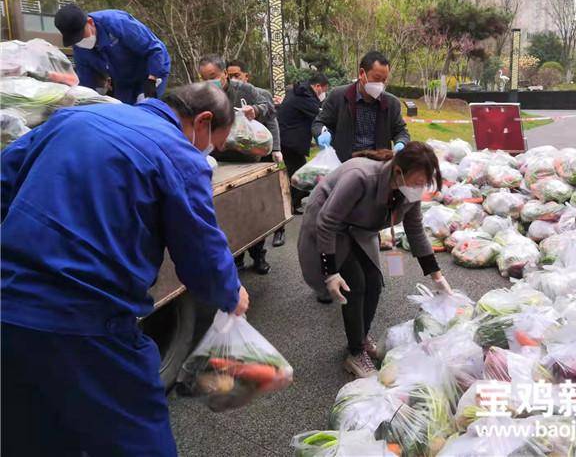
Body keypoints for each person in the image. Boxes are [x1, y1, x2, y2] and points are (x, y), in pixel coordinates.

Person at [1, 82, 248, 456]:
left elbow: (5, 182)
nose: (209, 150)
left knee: (32, 435)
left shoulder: (73, 117)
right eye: (215, 141)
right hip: (85, 323)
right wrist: (231, 294)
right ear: (203, 120)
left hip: (8, 310)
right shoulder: (179, 155)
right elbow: (201, 254)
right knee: (139, 440)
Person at [297, 142, 452, 378]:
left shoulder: (409, 190)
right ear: (398, 171)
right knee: (355, 284)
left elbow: (415, 230)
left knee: (374, 281)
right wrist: (330, 272)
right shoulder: (360, 177)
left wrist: (436, 275)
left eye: (425, 183)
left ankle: (361, 336)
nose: (419, 188)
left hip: (360, 230)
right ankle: (356, 353)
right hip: (329, 226)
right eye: (417, 182)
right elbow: (327, 221)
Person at [198, 54, 278, 274]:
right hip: (220, 162)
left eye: (212, 76)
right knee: (228, 214)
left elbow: (269, 106)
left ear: (224, 73)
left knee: (253, 212)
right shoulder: (203, 97)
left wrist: (256, 111)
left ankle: (258, 255)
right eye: (203, 78)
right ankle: (236, 255)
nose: (208, 82)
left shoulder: (244, 90)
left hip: (248, 160)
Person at [54, 3, 170, 104]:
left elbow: (154, 48)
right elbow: (86, 79)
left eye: (81, 35)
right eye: (75, 39)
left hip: (149, 71)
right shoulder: (79, 47)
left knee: (145, 111)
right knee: (122, 115)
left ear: (90, 22)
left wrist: (152, 79)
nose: (80, 41)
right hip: (123, 81)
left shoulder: (117, 22)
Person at [312, 51, 409, 162]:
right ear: (362, 73)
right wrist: (322, 133)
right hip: (344, 164)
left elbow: (401, 131)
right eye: (377, 78)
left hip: (378, 166)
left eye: (384, 80)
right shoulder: (338, 96)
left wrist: (401, 143)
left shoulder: (391, 103)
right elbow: (319, 123)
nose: (381, 84)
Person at [275, 72, 330, 247]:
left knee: (298, 171)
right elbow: (319, 115)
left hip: (289, 138)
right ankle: (291, 204)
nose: (324, 94)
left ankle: (295, 201)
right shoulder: (305, 97)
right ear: (318, 86)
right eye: (324, 90)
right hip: (290, 140)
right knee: (300, 173)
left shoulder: (300, 92)